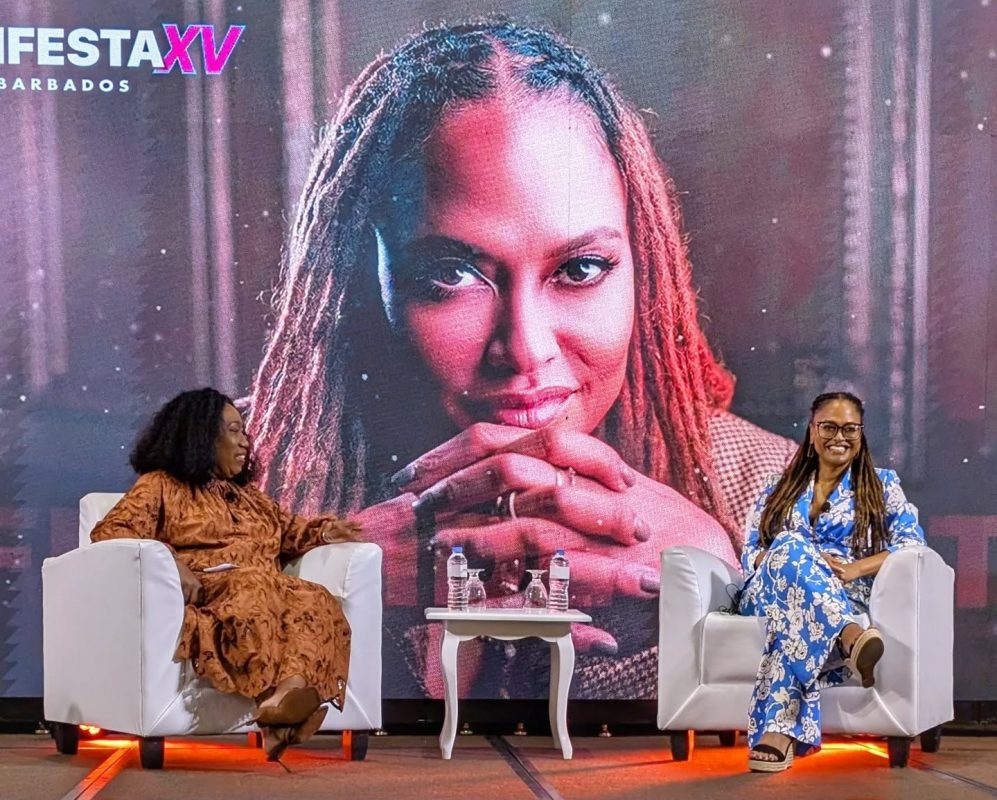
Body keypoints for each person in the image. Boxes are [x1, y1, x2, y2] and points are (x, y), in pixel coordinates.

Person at [247, 19, 795, 698]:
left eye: (581, 268)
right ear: (362, 278)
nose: (526, 350)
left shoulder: (773, 491)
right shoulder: (226, 484)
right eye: (448, 274)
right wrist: (316, 581)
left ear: (644, 269)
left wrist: (728, 597)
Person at [90, 388, 360, 762]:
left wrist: (326, 532)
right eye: (233, 430)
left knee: (315, 596)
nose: (245, 441)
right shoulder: (161, 485)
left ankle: (286, 700)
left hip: (266, 591)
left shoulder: (250, 497)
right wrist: (169, 559)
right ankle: (282, 713)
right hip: (213, 592)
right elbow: (111, 532)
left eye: (244, 431)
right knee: (256, 584)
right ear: (201, 435)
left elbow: (288, 531)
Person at [738, 391, 926, 772]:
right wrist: (792, 559)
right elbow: (749, 551)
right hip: (768, 590)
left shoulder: (882, 485)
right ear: (812, 431)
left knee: (795, 618)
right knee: (790, 544)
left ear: (861, 433)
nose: (838, 436)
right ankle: (851, 636)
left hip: (841, 592)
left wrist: (856, 569)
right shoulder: (779, 485)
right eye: (828, 427)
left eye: (849, 428)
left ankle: (776, 732)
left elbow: (912, 546)